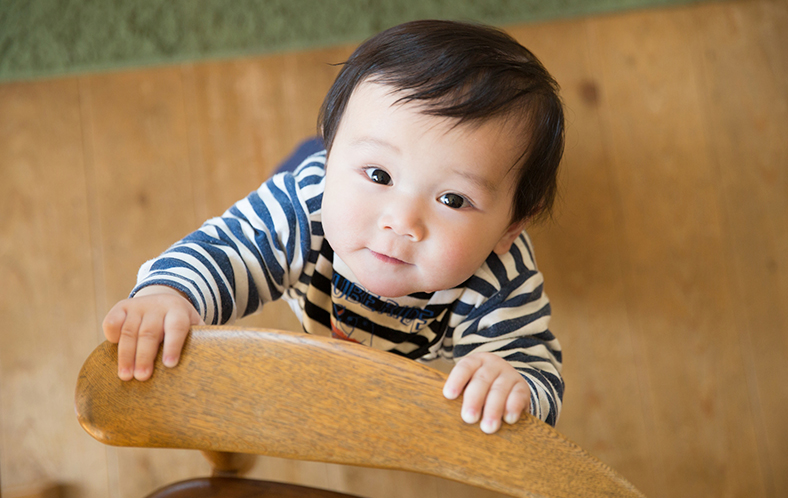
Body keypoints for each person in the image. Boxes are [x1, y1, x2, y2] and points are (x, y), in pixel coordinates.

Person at [103, 20, 565, 433]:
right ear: (333, 154)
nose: (402, 222)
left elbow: (535, 368)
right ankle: (318, 154)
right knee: (276, 209)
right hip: (307, 229)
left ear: (510, 229)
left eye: (453, 199)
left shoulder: (502, 280)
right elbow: (230, 249)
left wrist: (513, 383)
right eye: (379, 176)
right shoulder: (305, 208)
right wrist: (171, 295)